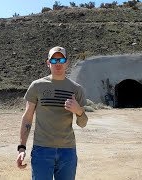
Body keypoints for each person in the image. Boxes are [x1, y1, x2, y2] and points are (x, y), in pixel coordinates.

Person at [16, 46, 88, 180]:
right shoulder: (37, 86)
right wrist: (22, 148)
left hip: (67, 151)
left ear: (67, 62)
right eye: (54, 61)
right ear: (48, 63)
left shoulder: (76, 89)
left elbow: (83, 123)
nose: (58, 64)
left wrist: (78, 110)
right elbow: (27, 117)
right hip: (42, 150)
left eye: (61, 60)